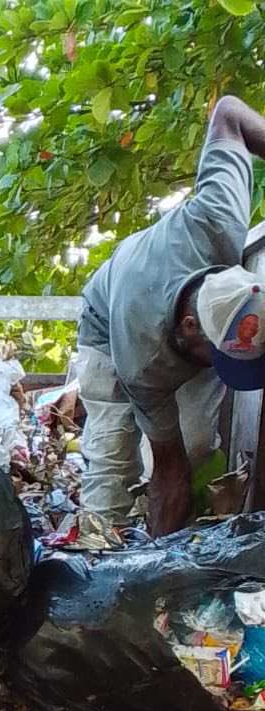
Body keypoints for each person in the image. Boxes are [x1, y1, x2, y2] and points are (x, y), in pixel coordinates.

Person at [76, 96, 265, 536]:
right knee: (113, 460)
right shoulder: (143, 362)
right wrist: (155, 579)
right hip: (108, 329)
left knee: (198, 444)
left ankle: (168, 534)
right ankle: (96, 551)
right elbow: (170, 469)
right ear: (190, 328)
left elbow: (228, 113)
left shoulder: (218, 218)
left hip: (184, 319)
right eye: (220, 360)